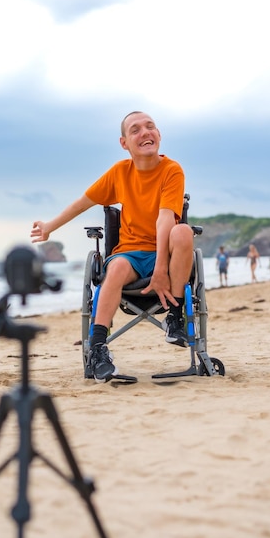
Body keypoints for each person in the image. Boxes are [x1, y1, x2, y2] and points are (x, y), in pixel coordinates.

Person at [31, 111, 194, 383]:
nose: (145, 132)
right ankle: (97, 348)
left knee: (183, 232)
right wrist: (49, 226)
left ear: (159, 135)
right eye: (135, 130)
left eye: (150, 126)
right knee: (116, 267)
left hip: (164, 252)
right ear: (124, 143)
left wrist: (161, 268)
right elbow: (82, 202)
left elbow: (165, 218)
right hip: (130, 254)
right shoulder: (120, 173)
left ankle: (175, 317)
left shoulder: (171, 170)